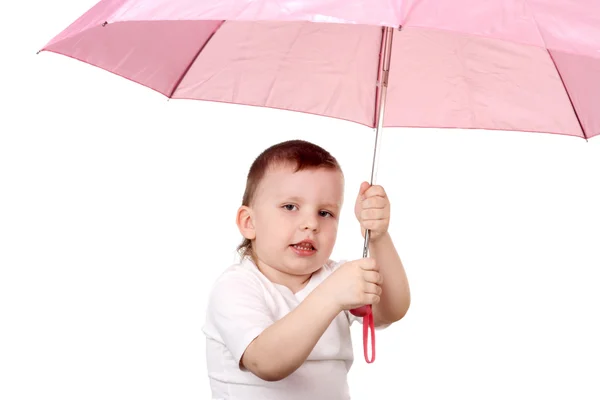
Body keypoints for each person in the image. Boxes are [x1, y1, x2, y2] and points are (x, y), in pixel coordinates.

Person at [203, 139, 410, 399]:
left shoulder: (336, 277)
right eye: (290, 207)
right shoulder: (236, 287)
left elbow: (391, 310)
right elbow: (266, 362)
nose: (311, 224)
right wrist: (330, 296)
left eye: (325, 213)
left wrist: (379, 236)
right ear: (249, 222)